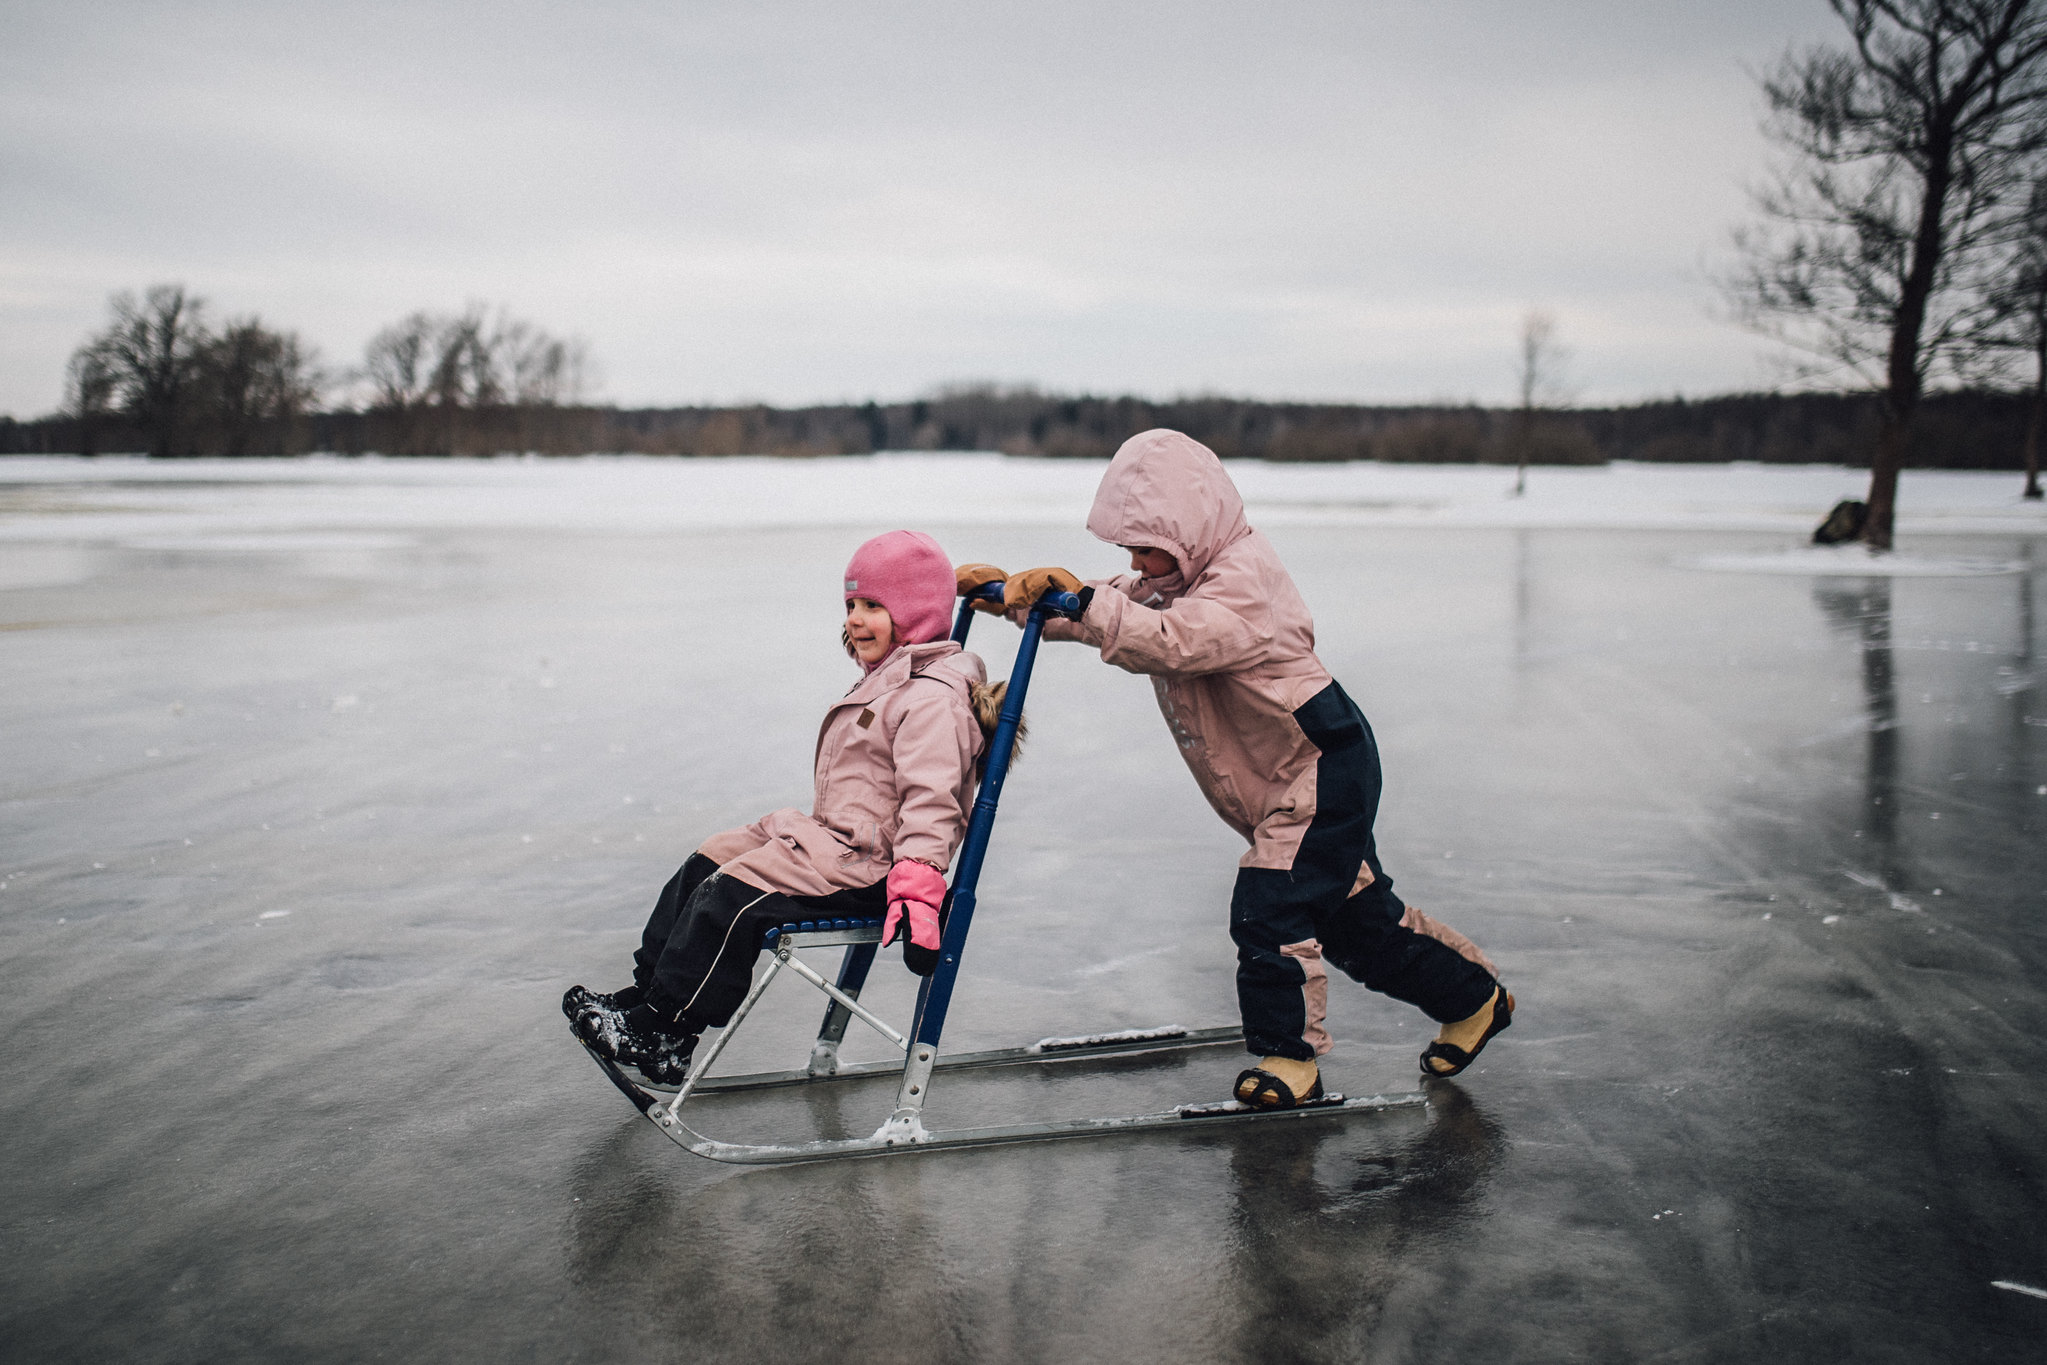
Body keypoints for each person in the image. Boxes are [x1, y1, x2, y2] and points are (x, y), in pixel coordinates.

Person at [962, 429, 1511, 1110]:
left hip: (1320, 763)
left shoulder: (1243, 580)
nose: (1135, 560)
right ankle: (1474, 997)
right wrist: (1020, 601)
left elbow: (1176, 640)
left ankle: (1289, 1058)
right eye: (1127, 548)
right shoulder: (1175, 576)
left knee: (1272, 905)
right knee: (1355, 926)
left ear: (1187, 529)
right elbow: (1115, 605)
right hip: (1281, 776)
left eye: (1144, 544)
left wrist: (1083, 600)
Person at [566, 530, 1003, 1083]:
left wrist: (917, 887)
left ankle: (666, 1031)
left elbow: (932, 802)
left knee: (735, 897)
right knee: (708, 860)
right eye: (851, 605)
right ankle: (648, 997)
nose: (856, 620)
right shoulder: (892, 680)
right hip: (836, 844)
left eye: (873, 606)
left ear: (914, 615)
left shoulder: (933, 701)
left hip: (875, 869)